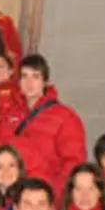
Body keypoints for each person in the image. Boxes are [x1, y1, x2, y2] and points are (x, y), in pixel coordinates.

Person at [16, 54, 86, 195]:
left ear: (45, 81)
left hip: (47, 195)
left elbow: (73, 163)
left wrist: (53, 195)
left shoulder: (65, 116)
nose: (29, 82)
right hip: (19, 195)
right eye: (24, 76)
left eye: (35, 76)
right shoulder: (11, 116)